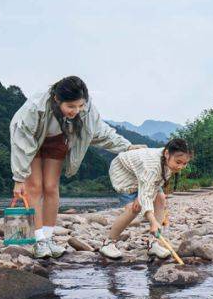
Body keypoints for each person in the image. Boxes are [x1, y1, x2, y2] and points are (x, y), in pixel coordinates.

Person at [10, 76, 142, 258]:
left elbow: (101, 132)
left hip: (58, 139)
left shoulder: (86, 109)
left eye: (80, 106)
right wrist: (19, 178)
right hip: (30, 139)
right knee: (34, 187)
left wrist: (127, 146)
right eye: (71, 106)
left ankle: (48, 238)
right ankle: (38, 240)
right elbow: (21, 141)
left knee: (51, 186)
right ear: (57, 99)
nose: (76, 111)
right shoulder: (35, 107)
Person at [98, 138, 194, 260]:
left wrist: (142, 196)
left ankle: (153, 243)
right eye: (178, 162)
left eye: (184, 164)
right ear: (166, 154)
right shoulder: (152, 167)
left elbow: (156, 184)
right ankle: (108, 243)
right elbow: (147, 194)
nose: (180, 167)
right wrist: (153, 221)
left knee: (160, 198)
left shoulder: (168, 160)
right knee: (134, 208)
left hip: (143, 175)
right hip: (124, 172)